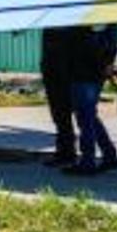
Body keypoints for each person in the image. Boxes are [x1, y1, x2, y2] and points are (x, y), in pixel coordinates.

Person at [63, 26, 117, 176]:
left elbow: (93, 46)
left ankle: (88, 161)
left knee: (85, 117)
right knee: (89, 116)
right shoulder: (103, 24)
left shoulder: (90, 23)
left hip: (85, 73)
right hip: (89, 72)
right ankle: (109, 155)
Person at [40, 27, 78, 167]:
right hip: (56, 71)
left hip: (61, 73)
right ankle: (65, 151)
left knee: (63, 115)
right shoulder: (53, 24)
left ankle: (67, 153)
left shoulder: (64, 26)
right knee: (60, 116)